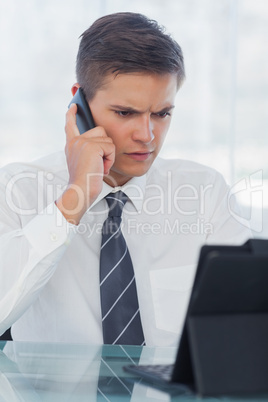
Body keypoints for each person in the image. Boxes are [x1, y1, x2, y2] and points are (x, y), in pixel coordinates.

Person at [0, 12, 250, 346]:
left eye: (162, 114)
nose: (147, 135)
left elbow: (246, 320)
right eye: (125, 113)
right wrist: (75, 197)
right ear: (80, 103)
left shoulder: (207, 192)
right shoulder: (20, 188)